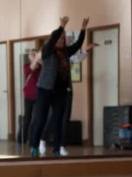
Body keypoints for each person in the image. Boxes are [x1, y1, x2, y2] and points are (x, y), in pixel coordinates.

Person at [28, 16, 88, 157]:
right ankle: (35, 146)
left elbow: (78, 44)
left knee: (58, 121)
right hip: (45, 89)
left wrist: (83, 28)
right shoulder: (47, 49)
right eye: (59, 37)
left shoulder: (66, 51)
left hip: (60, 91)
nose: (61, 39)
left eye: (63, 37)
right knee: (40, 119)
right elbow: (54, 38)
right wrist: (61, 26)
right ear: (54, 38)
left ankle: (56, 149)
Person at [38, 42, 98, 156]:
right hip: (54, 92)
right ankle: (43, 139)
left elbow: (78, 58)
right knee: (52, 117)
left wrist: (86, 50)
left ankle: (61, 146)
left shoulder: (66, 56)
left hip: (67, 91)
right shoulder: (51, 57)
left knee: (65, 119)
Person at [17, 50, 41, 146]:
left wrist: (39, 59)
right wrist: (35, 59)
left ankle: (33, 141)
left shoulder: (41, 67)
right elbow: (30, 69)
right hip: (28, 96)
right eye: (32, 55)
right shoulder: (26, 66)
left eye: (35, 54)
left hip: (39, 97)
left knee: (36, 119)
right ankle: (20, 140)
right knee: (27, 119)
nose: (34, 56)